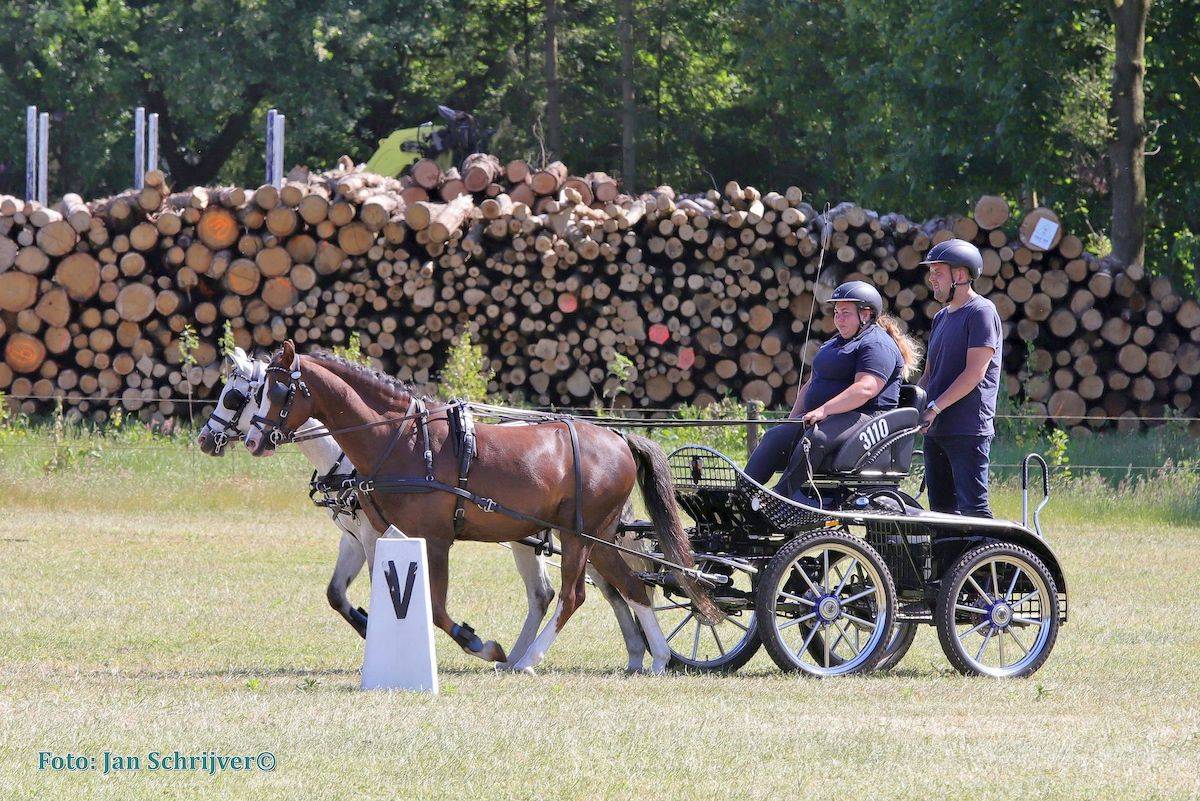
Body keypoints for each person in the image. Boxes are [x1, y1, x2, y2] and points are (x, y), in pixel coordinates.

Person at [745, 281, 923, 502]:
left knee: (817, 436)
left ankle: (780, 499)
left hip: (868, 418)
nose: (838, 319)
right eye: (836, 312)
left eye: (845, 313)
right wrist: (792, 420)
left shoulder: (877, 344)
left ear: (866, 314)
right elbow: (811, 384)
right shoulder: (833, 343)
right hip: (830, 418)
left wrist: (824, 410)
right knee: (775, 436)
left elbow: (866, 388)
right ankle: (742, 494)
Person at [917, 238, 1003, 518]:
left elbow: (974, 373)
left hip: (968, 429)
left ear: (961, 275)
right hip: (936, 429)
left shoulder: (981, 312)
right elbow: (929, 374)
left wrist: (934, 408)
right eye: (931, 272)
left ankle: (986, 550)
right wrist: (913, 408)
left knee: (974, 511)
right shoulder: (941, 318)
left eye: (938, 272)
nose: (932, 279)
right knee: (941, 513)